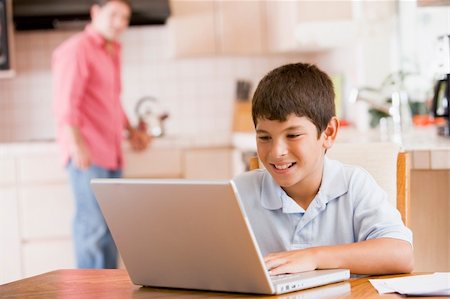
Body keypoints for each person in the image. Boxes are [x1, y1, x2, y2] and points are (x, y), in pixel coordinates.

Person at [232, 63, 414, 275]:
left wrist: (314, 256)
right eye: (264, 137)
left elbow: (401, 254)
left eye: (292, 135)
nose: (276, 152)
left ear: (328, 133)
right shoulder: (238, 192)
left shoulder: (354, 185)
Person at [52, 0, 150, 269]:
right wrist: (77, 144)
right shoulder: (76, 50)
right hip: (88, 154)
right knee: (92, 229)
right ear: (95, 13)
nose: (120, 23)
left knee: (111, 231)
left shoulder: (112, 50)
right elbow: (65, 104)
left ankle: (108, 292)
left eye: (125, 17)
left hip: (111, 154)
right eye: (114, 15)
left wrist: (131, 131)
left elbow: (112, 100)